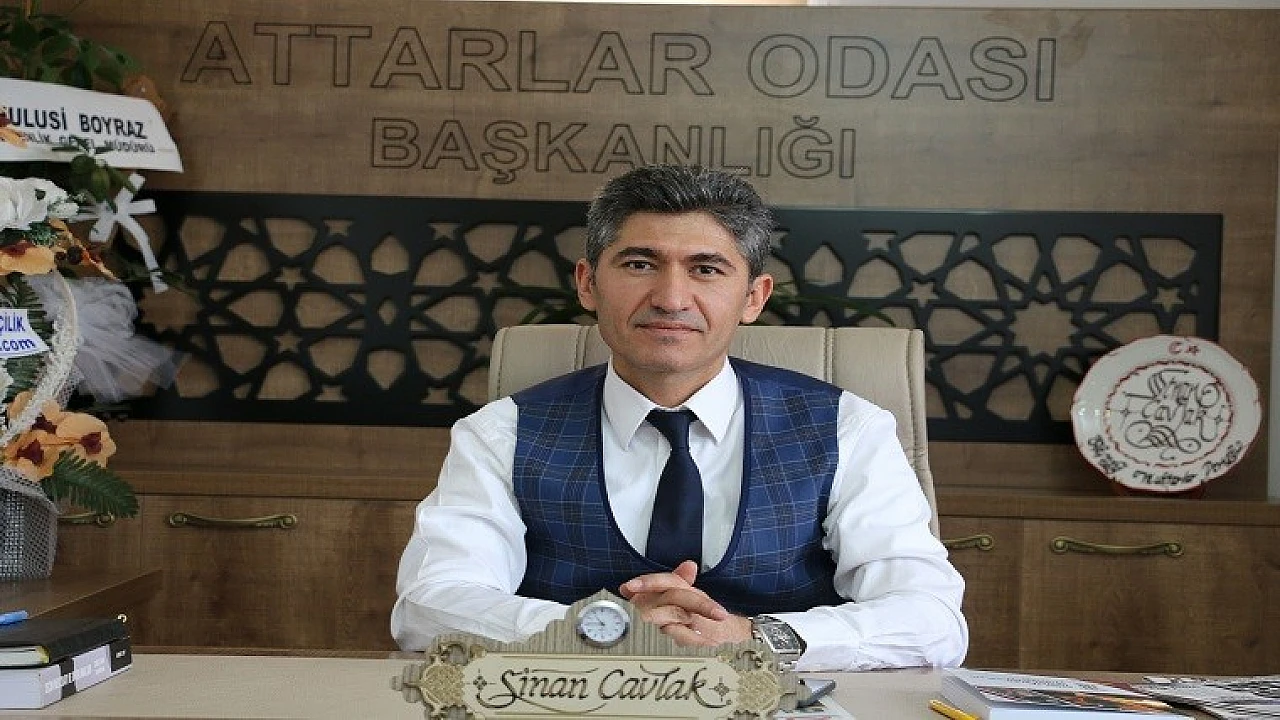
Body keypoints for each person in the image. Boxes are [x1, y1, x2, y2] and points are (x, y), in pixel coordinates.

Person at [392, 164, 968, 671]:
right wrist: (604, 631)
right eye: (640, 264)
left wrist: (755, 639)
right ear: (588, 284)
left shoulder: (848, 429)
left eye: (706, 269)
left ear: (754, 297)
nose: (671, 298)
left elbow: (931, 618)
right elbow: (429, 604)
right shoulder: (502, 433)